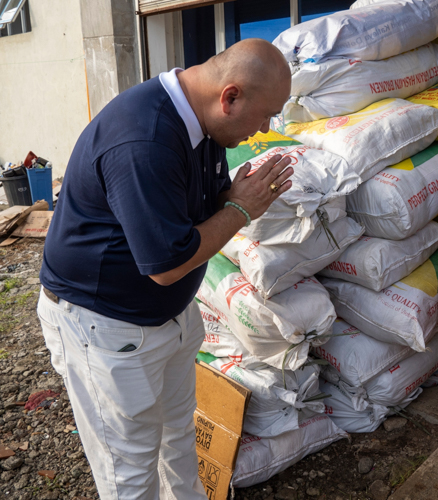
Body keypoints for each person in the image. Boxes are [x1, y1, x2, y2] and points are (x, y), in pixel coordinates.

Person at [36, 39, 293, 498]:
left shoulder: (202, 126)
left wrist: (229, 199)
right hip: (107, 327)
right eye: (265, 115)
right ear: (229, 97)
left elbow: (186, 215)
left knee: (177, 441)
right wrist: (239, 211)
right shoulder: (146, 139)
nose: (265, 129)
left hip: (166, 319)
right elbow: (167, 265)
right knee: (130, 470)